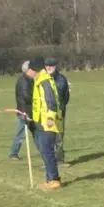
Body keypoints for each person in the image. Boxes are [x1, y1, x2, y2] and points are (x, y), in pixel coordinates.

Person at [30, 58, 63, 190]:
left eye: (30, 69)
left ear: (35, 70)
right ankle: (49, 180)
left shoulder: (44, 81)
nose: (29, 72)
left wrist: (50, 117)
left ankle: (54, 179)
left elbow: (51, 101)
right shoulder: (39, 80)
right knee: (45, 150)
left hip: (48, 122)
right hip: (41, 121)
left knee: (47, 150)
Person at [9, 60, 39, 160]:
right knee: (21, 134)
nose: (35, 72)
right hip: (24, 111)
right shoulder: (23, 81)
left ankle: (43, 151)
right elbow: (26, 97)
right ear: (28, 70)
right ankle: (13, 154)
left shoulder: (28, 79)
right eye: (33, 70)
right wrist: (37, 98)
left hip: (27, 111)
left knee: (36, 132)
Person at [45, 58, 70, 164]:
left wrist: (62, 107)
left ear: (55, 67)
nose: (48, 68)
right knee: (47, 138)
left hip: (59, 113)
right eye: (46, 66)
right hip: (46, 113)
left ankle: (60, 160)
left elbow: (66, 96)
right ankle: (48, 161)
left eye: (50, 66)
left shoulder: (61, 79)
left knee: (59, 138)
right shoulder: (43, 79)